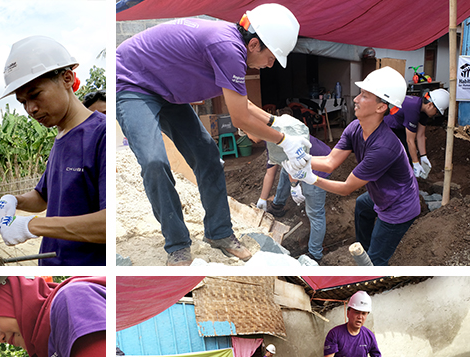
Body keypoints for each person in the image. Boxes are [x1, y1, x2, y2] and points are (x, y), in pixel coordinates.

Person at [116, 4, 311, 266]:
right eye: (271, 57)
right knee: (154, 162)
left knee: (208, 156)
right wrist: (284, 141)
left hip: (165, 89)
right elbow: (240, 118)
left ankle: (219, 233)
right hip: (132, 84)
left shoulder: (231, 46)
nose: (270, 64)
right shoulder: (228, 49)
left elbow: (241, 104)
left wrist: (278, 123)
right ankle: (177, 245)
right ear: (254, 45)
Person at [284, 67, 421, 266]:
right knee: (363, 205)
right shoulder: (355, 127)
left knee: (375, 261)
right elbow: (330, 162)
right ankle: (362, 249)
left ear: (381, 107)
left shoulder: (384, 147)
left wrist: (311, 178)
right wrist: (304, 159)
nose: (356, 99)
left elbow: (347, 188)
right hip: (383, 192)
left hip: (398, 206)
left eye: (364, 96)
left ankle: (371, 263)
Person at [0, 36, 106, 266]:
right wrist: (15, 200)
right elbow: (43, 198)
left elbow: (107, 223)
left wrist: (32, 225)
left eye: (35, 95)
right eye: (22, 101)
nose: (30, 109)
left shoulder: (99, 134)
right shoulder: (61, 138)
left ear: (66, 78)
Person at [255, 133, 331, 263]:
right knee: (285, 171)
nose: (248, 138)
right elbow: (271, 171)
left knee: (315, 212)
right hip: (303, 161)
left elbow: (292, 162)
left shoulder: (278, 138)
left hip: (319, 164)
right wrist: (262, 199)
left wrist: (295, 186)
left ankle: (315, 254)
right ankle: (278, 205)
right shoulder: (270, 139)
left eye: (246, 133)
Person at [384, 88, 450, 178]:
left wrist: (423, 156)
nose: (436, 114)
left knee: (408, 154)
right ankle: (392, 178)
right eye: (437, 111)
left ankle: (407, 178)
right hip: (387, 126)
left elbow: (421, 135)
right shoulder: (413, 109)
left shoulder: (423, 111)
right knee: (397, 154)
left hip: (399, 127)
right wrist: (416, 163)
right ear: (430, 105)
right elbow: (410, 140)